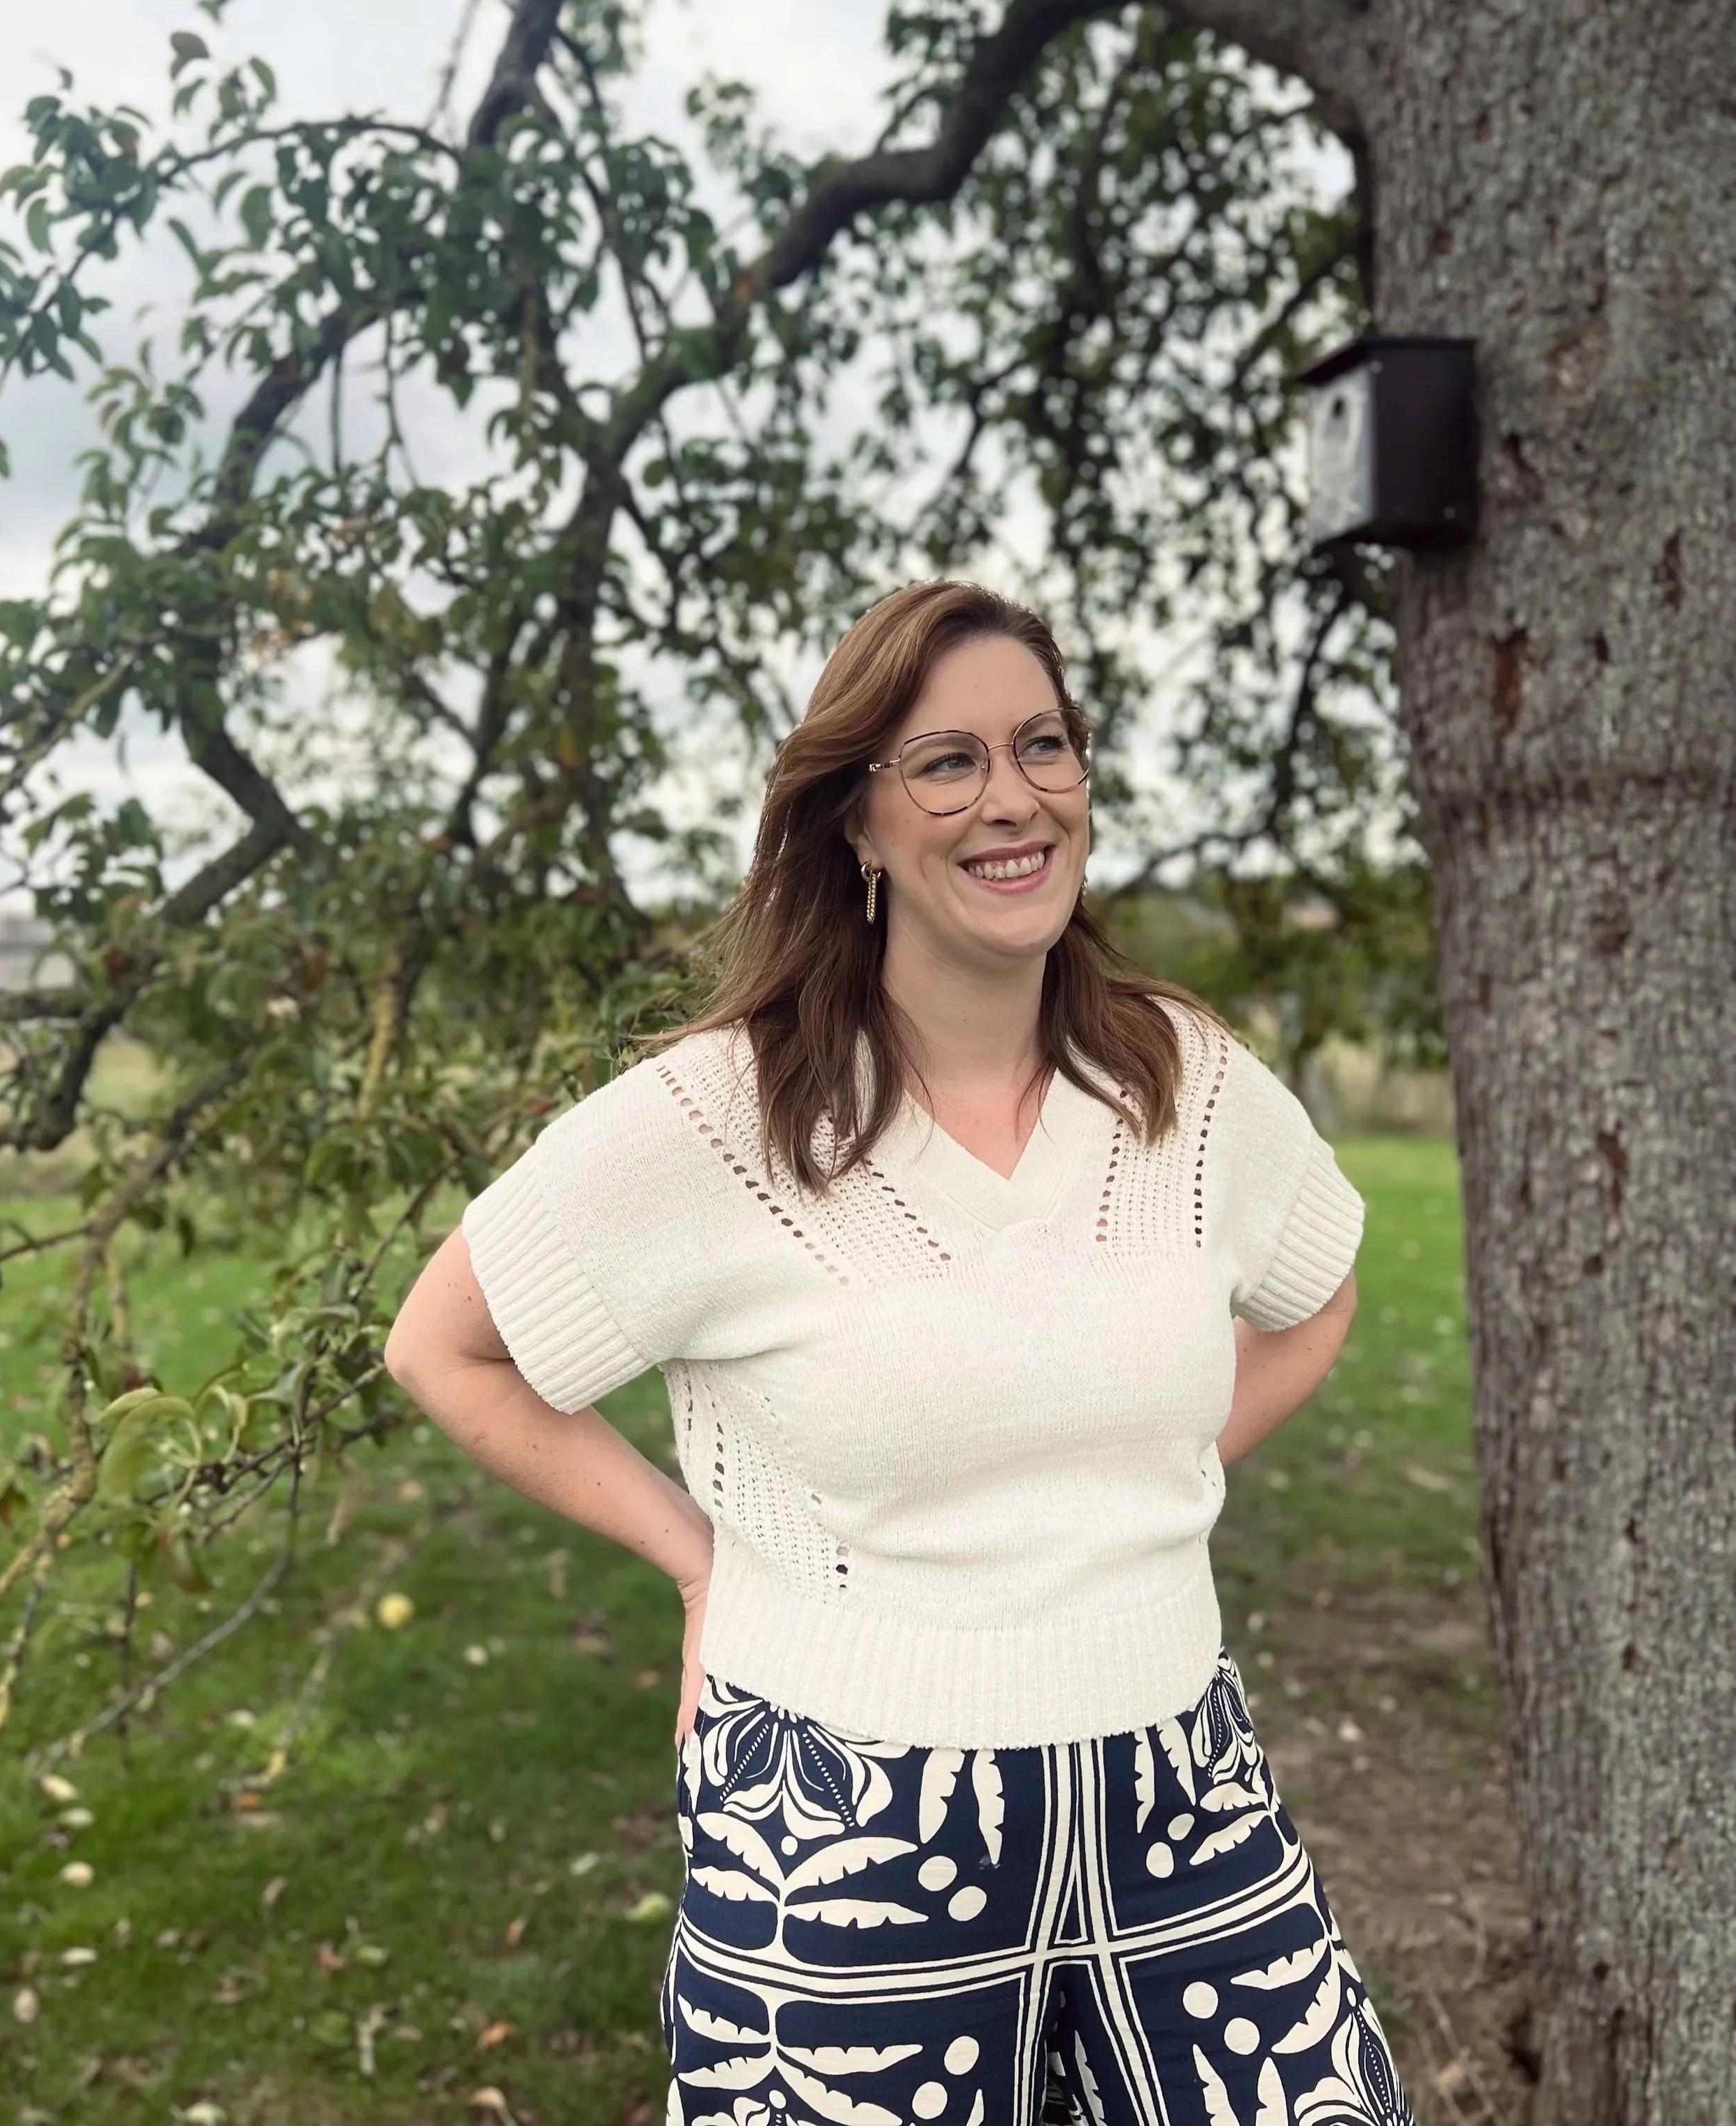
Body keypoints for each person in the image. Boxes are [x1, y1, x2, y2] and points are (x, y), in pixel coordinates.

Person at [384, 581, 1412, 2125]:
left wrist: (1143, 1477)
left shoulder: (1183, 1080)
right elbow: (444, 1346)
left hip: (1182, 1789)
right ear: (855, 818)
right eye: (945, 761)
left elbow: (1316, 1294)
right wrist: (695, 1561)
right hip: (849, 1810)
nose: (1011, 799)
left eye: (1041, 746)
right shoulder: (721, 1122)